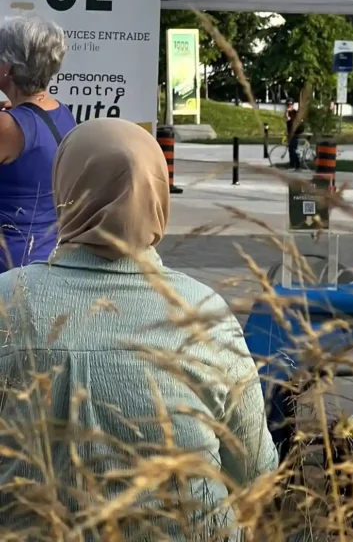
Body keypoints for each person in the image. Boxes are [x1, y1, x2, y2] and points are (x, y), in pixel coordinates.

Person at [0, 118, 278, 538]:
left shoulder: (8, 301)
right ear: (159, 197)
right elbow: (257, 471)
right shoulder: (204, 312)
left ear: (65, 191)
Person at [0, 15, 77, 271]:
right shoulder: (62, 114)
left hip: (9, 266)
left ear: (8, 68)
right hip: (47, 257)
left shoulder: (9, 127)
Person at [285, 100, 304, 171]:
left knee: (293, 149)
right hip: (291, 133)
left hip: (295, 133)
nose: (289, 106)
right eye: (288, 105)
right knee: (291, 149)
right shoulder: (288, 112)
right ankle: (292, 164)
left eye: (290, 104)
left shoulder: (294, 112)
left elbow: (288, 119)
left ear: (292, 105)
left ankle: (298, 166)